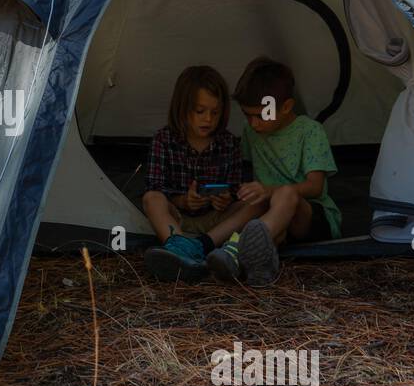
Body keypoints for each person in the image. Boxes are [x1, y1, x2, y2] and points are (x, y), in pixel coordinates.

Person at [202, 57, 340, 286]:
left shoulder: (310, 131)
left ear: (286, 107)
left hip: (311, 216)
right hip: (269, 215)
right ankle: (250, 263)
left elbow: (315, 187)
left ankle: (235, 248)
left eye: (261, 115)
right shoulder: (251, 132)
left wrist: (268, 190)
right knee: (252, 205)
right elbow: (245, 176)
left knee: (285, 194)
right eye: (248, 115)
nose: (254, 123)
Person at [141, 65, 246, 281]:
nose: (208, 119)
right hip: (177, 219)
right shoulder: (164, 140)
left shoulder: (228, 143)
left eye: (215, 112)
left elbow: (236, 188)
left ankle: (200, 246)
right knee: (151, 198)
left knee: (257, 202)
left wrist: (225, 199)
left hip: (216, 221)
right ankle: (180, 249)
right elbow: (156, 187)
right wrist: (183, 201)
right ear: (183, 108)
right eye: (200, 111)